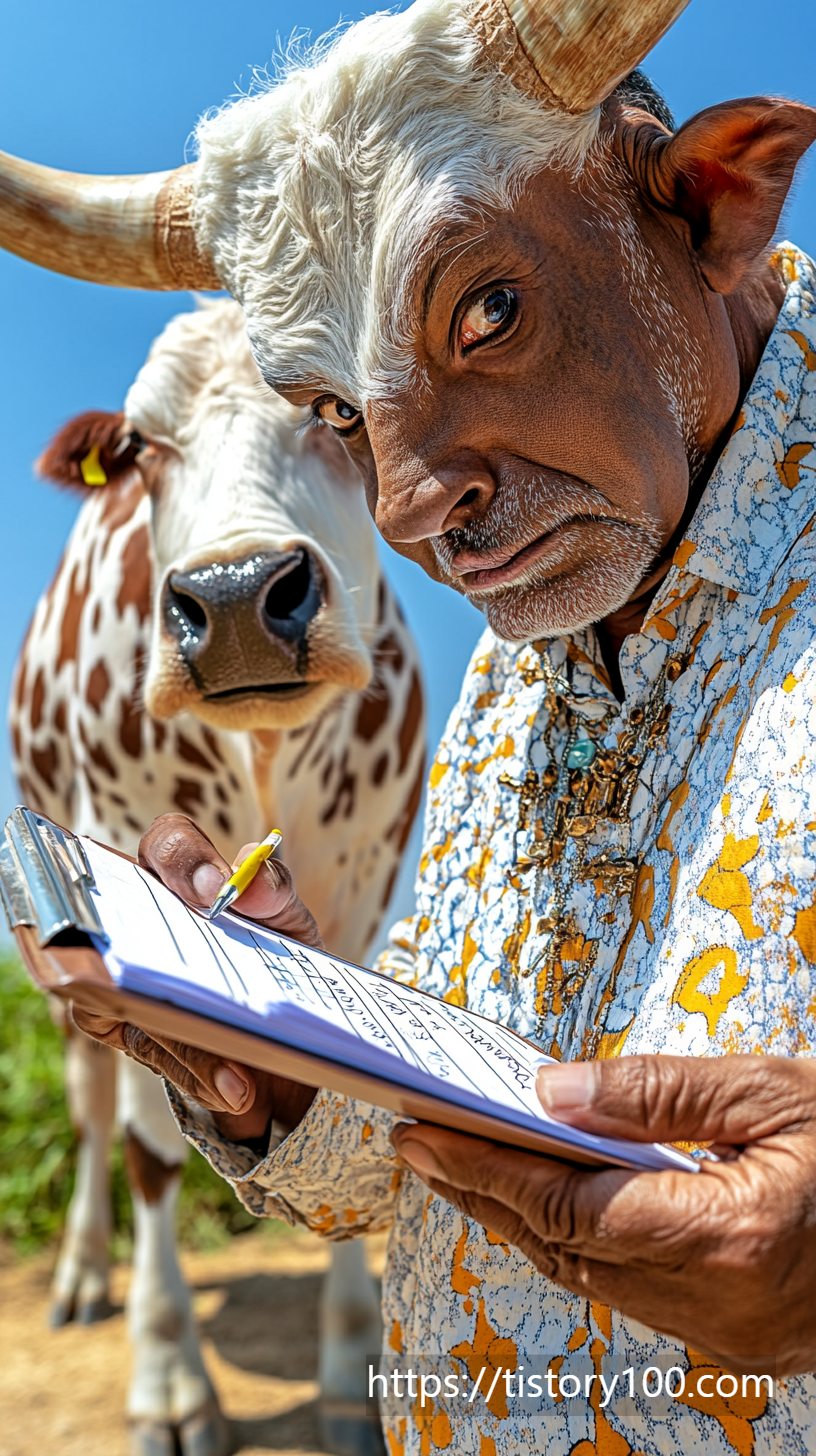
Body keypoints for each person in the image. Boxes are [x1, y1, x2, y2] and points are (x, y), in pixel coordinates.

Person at [53, 12, 816, 1456]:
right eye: (344, 410)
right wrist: (284, 1063)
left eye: (485, 313)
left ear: (711, 204)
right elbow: (432, 1153)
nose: (404, 508)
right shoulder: (523, 642)